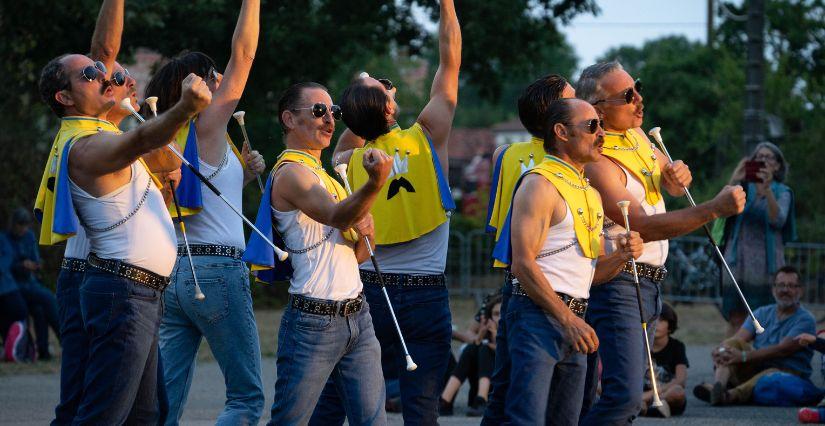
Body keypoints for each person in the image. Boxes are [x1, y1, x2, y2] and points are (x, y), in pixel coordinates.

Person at [36, 43, 211, 423]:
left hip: (137, 293)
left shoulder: (101, 137)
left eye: (100, 68)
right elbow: (140, 140)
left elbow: (155, 160)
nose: (103, 74)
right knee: (104, 414)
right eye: (89, 73)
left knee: (145, 415)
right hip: (123, 293)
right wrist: (185, 107)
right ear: (64, 97)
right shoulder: (82, 146)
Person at [313, 1, 461, 424]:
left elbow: (352, 135)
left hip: (367, 291)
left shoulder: (348, 158)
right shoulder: (428, 136)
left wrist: (366, 104)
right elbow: (449, 64)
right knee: (421, 407)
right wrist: (446, 5)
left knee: (338, 399)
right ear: (391, 109)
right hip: (425, 291)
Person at [576, 61, 746, 425]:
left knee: (614, 393)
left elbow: (667, 183)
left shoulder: (637, 136)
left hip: (649, 280)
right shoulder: (597, 157)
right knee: (622, 397)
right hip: (620, 279)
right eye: (627, 95)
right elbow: (643, 225)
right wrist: (712, 209)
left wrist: (676, 175)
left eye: (636, 87)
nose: (639, 99)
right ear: (599, 110)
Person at [144, 1, 267, 423]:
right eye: (214, 75)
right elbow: (245, 55)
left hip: (174, 273)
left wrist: (248, 176)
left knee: (165, 402)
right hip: (217, 271)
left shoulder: (163, 133)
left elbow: (203, 197)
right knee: (246, 400)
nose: (220, 81)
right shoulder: (207, 124)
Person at [243, 82, 392, 424]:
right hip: (314, 321)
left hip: (358, 314)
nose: (329, 120)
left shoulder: (330, 179)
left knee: (374, 421)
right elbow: (338, 216)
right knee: (289, 420)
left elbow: (356, 255)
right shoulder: (291, 174)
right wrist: (373, 184)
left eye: (333, 113)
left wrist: (368, 235)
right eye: (319, 111)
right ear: (289, 120)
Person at [492, 98, 644, 425]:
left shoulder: (589, 191)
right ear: (561, 132)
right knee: (526, 419)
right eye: (591, 126)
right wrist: (568, 320)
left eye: (601, 125)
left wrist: (621, 256)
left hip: (574, 317)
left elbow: (588, 276)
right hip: (538, 316)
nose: (601, 133)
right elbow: (522, 265)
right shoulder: (539, 183)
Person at [481, 73, 576, 425]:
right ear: (557, 119)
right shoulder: (569, 161)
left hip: (513, 278)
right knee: (543, 392)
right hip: (549, 278)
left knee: (505, 383)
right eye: (572, 100)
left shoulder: (504, 154)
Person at [693, 266, 815, 406]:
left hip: (787, 373)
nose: (785, 290)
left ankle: (730, 395)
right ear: (773, 289)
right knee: (732, 345)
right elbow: (738, 339)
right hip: (757, 366)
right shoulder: (761, 313)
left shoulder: (806, 319)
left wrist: (744, 356)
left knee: (772, 373)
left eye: (791, 286)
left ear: (800, 290)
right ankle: (718, 387)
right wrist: (721, 350)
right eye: (781, 285)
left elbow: (782, 350)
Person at [716, 141, 796, 335]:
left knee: (763, 316)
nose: (762, 161)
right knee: (736, 316)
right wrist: (735, 178)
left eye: (768, 158)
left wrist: (766, 190)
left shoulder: (782, 192)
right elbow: (719, 208)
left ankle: (758, 361)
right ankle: (730, 359)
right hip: (737, 260)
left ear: (777, 165)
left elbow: (778, 220)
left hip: (766, 265)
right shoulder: (742, 187)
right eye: (758, 157)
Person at [7, 207, 60, 361]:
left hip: (31, 282)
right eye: (20, 224)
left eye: (25, 224)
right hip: (16, 285)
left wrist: (36, 264)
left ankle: (43, 352)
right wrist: (22, 265)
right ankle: (63, 337)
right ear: (14, 224)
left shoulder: (29, 236)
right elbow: (6, 266)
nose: (23, 228)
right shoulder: (6, 239)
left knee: (39, 310)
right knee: (49, 298)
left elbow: (36, 259)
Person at [440, 294, 502, 417]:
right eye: (495, 314)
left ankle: (482, 400)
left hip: (499, 389)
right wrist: (481, 334)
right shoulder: (486, 332)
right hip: (478, 388)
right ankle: (445, 401)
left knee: (485, 349)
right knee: (472, 348)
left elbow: (505, 354)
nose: (499, 318)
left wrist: (495, 336)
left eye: (501, 313)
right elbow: (475, 343)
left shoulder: (513, 330)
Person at [641, 302, 688, 417]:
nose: (656, 324)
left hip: (665, 395)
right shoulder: (640, 345)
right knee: (602, 386)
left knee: (678, 391)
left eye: (661, 320)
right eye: (653, 320)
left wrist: (651, 394)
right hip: (641, 393)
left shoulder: (677, 347)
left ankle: (648, 407)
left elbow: (680, 380)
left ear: (670, 326)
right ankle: (650, 409)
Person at [0, 227, 30, 362]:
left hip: (7, 287)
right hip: (7, 287)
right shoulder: (3, 238)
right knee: (21, 313)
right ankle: (20, 350)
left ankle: (12, 348)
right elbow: (7, 258)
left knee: (6, 317)